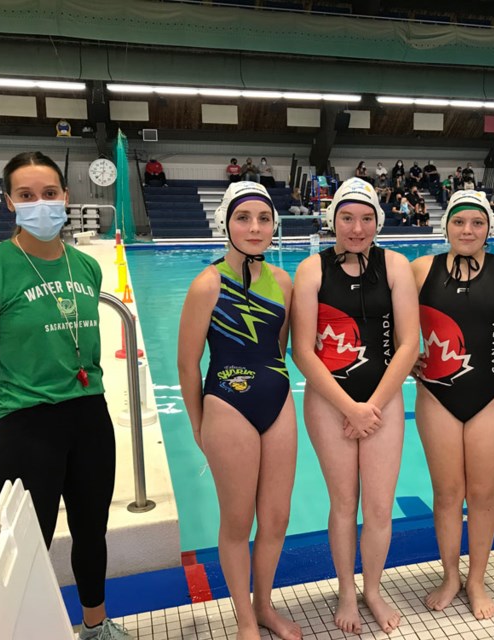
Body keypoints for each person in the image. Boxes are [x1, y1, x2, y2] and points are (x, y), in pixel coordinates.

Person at [0, 151, 132, 640]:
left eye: (49, 194)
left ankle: (96, 627)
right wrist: (12, 423)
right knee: (27, 547)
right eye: (27, 196)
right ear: (10, 202)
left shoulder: (85, 267)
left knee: (93, 530)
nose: (41, 204)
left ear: (66, 197)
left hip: (90, 416)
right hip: (25, 425)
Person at [291, 178, 420, 635]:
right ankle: (347, 589)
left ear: (378, 222)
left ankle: (373, 589)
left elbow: (410, 344)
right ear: (333, 219)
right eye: (347, 217)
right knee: (344, 504)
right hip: (330, 403)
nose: (356, 227)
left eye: (366, 218)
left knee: (380, 507)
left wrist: (372, 407)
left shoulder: (396, 266)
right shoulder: (312, 270)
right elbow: (302, 351)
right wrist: (349, 406)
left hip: (382, 401)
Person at [411, 189, 494, 620]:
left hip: (492, 395)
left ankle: (477, 579)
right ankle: (451, 575)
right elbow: (380, 314)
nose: (467, 230)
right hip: (436, 394)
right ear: (446, 225)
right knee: (447, 493)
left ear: (490, 227)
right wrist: (403, 355)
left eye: (477, 223)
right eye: (459, 222)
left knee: (483, 494)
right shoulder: (419, 270)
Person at [177, 181, 302, 640]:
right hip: (228, 406)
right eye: (244, 218)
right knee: (238, 519)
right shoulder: (207, 284)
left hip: (277, 399)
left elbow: (280, 348)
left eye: (264, 219)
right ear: (226, 223)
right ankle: (244, 619)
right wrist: (199, 424)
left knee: (277, 517)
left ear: (274, 225)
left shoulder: (284, 283)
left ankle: (264, 605)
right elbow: (187, 364)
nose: (254, 227)